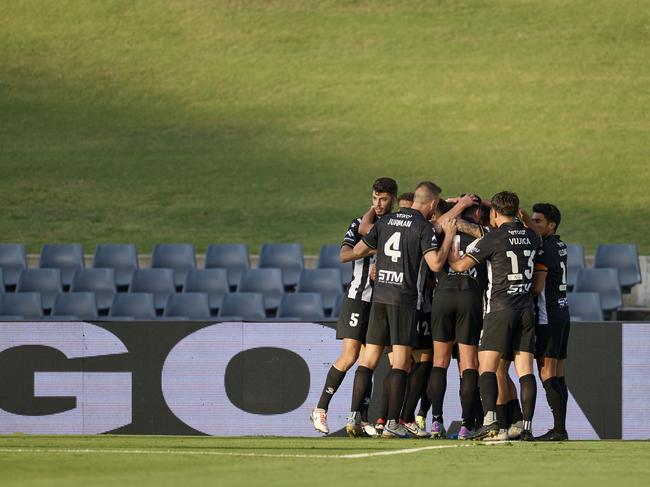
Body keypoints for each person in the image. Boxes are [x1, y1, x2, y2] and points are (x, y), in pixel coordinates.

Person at [345, 181, 457, 438]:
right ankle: (392, 423)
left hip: (379, 298)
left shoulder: (386, 222)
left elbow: (358, 250)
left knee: (369, 359)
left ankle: (354, 416)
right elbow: (436, 264)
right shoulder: (422, 226)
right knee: (401, 361)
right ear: (430, 204)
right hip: (403, 300)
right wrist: (449, 235)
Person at [448, 191, 541, 441]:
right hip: (526, 311)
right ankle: (526, 427)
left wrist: (447, 241)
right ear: (517, 211)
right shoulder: (532, 236)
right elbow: (530, 226)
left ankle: (490, 421)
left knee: (486, 367)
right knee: (524, 371)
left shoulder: (493, 237)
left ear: (495, 213)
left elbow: (459, 266)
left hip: (500, 309)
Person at [310, 177, 397, 435]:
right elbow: (345, 254)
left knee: (370, 361)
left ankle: (364, 418)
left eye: (383, 199)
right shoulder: (360, 223)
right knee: (350, 356)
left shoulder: (395, 224)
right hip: (358, 298)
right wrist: (371, 251)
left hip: (382, 301)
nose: (378, 204)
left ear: (392, 198)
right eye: (374, 199)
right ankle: (320, 409)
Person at [428, 196, 487, 440]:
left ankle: (436, 421)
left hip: (443, 295)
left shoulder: (441, 230)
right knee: (469, 363)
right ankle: (466, 425)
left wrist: (453, 209)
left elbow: (433, 224)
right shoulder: (483, 232)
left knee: (439, 362)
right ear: (477, 213)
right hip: (470, 295)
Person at [530, 203, 570, 441]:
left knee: (547, 374)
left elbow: (537, 287)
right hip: (563, 314)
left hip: (548, 317)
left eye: (538, 221)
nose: (534, 225)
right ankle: (560, 427)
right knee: (559, 375)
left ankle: (558, 429)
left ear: (551, 225)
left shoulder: (545, 250)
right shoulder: (561, 245)